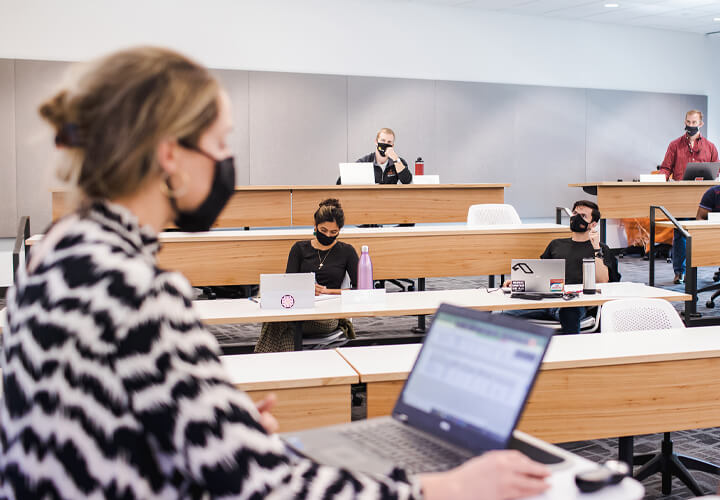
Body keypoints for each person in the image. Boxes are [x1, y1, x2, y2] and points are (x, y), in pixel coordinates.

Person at [0, 46, 550, 500]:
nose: (226, 162)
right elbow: (266, 488)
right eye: (220, 143)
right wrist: (443, 489)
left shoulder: (56, 255)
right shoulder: (135, 291)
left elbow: (105, 428)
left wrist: (217, 422)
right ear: (169, 154)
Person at [255, 198, 359, 352]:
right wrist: (304, 289)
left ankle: (267, 360)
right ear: (315, 226)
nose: (328, 235)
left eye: (334, 232)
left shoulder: (347, 251)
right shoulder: (299, 248)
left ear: (339, 231)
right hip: (299, 307)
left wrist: (326, 291)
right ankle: (289, 365)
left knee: (279, 321)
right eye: (323, 230)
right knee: (281, 319)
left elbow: (361, 289)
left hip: (328, 314)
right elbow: (288, 285)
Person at [506, 200, 621, 334]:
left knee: (569, 312)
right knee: (502, 316)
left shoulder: (601, 249)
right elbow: (540, 276)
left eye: (583, 216)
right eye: (575, 213)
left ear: (593, 224)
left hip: (576, 304)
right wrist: (519, 282)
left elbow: (603, 281)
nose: (576, 218)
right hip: (547, 301)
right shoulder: (556, 244)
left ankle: (571, 352)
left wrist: (596, 248)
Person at [659, 109, 719, 284]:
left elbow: (717, 170)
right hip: (681, 196)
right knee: (681, 232)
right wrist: (661, 179)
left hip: (706, 199)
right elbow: (665, 168)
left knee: (711, 231)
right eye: (688, 122)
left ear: (700, 124)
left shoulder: (710, 147)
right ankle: (680, 271)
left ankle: (713, 265)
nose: (690, 126)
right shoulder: (674, 145)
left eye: (694, 123)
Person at [338, 127, 413, 184]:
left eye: (389, 142)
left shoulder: (398, 162)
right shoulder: (365, 161)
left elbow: (407, 181)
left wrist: (395, 159)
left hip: (391, 201)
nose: (385, 144)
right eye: (383, 140)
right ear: (376, 142)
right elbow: (340, 182)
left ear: (392, 145)